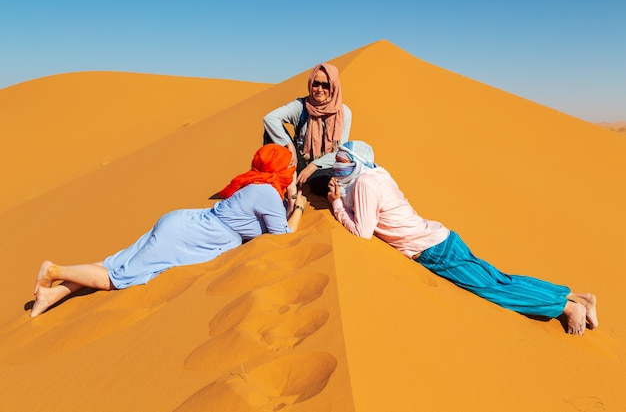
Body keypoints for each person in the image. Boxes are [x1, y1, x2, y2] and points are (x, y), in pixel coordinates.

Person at [326, 140, 598, 335]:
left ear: (358, 163)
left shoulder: (363, 184)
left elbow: (362, 232)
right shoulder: (377, 173)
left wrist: (336, 204)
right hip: (442, 239)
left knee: (495, 291)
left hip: (432, 252)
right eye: (336, 163)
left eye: (343, 163)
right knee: (500, 279)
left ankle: (565, 307)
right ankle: (577, 297)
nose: (339, 169)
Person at [31, 144, 308, 318]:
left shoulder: (255, 183)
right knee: (117, 278)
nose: (291, 170)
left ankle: (52, 295)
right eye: (289, 167)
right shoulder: (266, 193)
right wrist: (300, 209)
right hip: (190, 237)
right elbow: (284, 237)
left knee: (115, 263)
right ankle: (54, 271)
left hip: (186, 223)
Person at [263, 62, 352, 197]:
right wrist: (289, 145)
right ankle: (276, 184)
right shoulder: (302, 106)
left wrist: (313, 166)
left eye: (326, 85)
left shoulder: (343, 112)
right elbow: (270, 119)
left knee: (321, 183)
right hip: (298, 161)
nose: (319, 89)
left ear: (333, 86)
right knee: (270, 134)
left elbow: (339, 151)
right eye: (316, 83)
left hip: (325, 166)